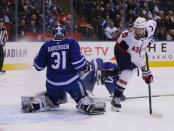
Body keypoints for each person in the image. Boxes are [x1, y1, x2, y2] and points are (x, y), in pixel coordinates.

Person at [21, 24, 106, 115]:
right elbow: (78, 64)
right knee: (82, 97)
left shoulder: (46, 46)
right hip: (71, 82)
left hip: (52, 83)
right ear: (64, 33)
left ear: (53, 34)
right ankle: (85, 104)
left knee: (52, 98)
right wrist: (86, 67)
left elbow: (38, 67)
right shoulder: (72, 43)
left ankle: (41, 103)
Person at [111, 17, 157, 111]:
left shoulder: (149, 28)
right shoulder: (131, 38)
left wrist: (150, 38)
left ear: (144, 28)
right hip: (121, 51)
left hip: (132, 52)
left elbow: (153, 22)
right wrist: (145, 71)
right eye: (137, 29)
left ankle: (108, 73)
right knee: (127, 73)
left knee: (133, 71)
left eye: (141, 29)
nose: (138, 32)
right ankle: (116, 98)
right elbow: (135, 57)